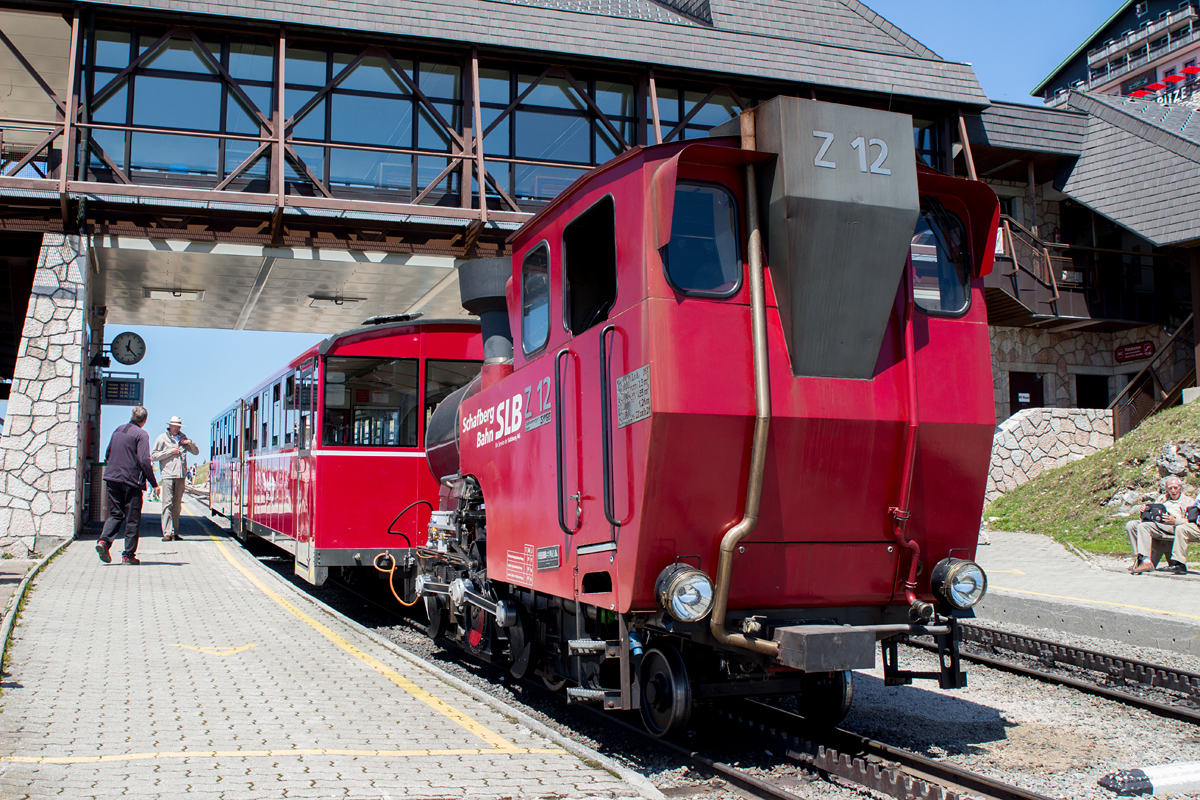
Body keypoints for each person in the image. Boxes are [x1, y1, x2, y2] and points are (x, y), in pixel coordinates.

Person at [96, 406, 158, 565]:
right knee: (132, 519)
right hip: (131, 481)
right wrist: (154, 483)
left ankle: (103, 542)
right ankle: (128, 556)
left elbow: (107, 453)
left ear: (132, 416)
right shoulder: (142, 434)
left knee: (116, 513)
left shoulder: (118, 430)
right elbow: (144, 460)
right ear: (145, 420)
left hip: (112, 477)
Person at [1125, 476, 1191, 575]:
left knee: (1144, 527)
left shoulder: (1188, 501)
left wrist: (1175, 520)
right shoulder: (1162, 498)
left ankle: (1146, 562)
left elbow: (1190, 522)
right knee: (1131, 525)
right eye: (1170, 488)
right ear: (1166, 488)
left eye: (1175, 488)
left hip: (1172, 527)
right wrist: (1146, 511)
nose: (1173, 491)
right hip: (1157, 524)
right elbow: (1153, 512)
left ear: (1180, 487)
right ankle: (1140, 557)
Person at [152, 416, 199, 542]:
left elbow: (196, 452)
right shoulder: (162, 438)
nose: (177, 428)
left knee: (177, 505)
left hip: (180, 475)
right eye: (175, 426)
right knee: (167, 504)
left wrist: (189, 442)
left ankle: (175, 532)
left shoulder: (184, 438)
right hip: (168, 475)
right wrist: (170, 452)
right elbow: (153, 456)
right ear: (170, 426)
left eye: (178, 426)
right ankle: (167, 533)